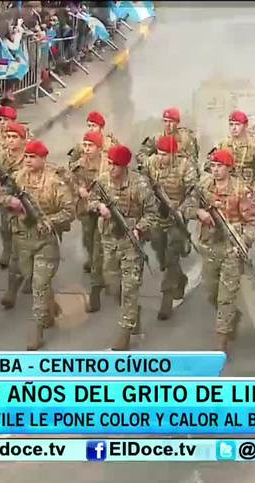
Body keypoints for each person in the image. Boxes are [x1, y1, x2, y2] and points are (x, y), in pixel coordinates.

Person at [0, 140, 74, 350]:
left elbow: (69, 212)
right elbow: (0, 196)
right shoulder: (17, 178)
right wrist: (9, 202)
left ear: (43, 159)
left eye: (33, 157)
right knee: (33, 279)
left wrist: (49, 221)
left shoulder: (55, 182)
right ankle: (50, 309)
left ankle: (37, 331)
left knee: (39, 286)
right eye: (27, 157)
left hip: (45, 243)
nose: (28, 161)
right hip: (21, 240)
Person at [184, 149, 255, 354]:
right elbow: (186, 206)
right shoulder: (204, 186)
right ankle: (231, 317)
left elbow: (254, 222)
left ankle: (221, 338)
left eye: (220, 166)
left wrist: (242, 242)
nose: (215, 170)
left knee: (226, 296)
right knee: (211, 292)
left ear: (229, 168)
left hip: (231, 249)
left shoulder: (241, 190)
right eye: (213, 166)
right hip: (209, 247)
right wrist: (198, 212)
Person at [86, 144, 158, 349]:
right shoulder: (102, 181)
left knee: (130, 287)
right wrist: (99, 207)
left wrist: (139, 228)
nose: (111, 168)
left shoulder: (140, 185)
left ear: (125, 166)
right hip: (109, 240)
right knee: (113, 285)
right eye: (109, 163)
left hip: (130, 242)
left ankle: (125, 331)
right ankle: (134, 311)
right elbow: (89, 201)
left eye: (115, 165)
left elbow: (151, 214)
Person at [139, 135, 198, 320]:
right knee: (160, 252)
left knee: (172, 255)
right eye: (159, 153)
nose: (161, 157)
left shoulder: (185, 166)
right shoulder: (151, 163)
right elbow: (140, 182)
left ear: (173, 154)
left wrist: (181, 210)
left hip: (176, 217)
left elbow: (194, 193)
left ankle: (166, 299)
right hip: (157, 215)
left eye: (165, 154)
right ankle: (180, 278)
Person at [66, 131, 109, 275]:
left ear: (99, 148)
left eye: (91, 145)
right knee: (87, 237)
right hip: (85, 208)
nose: (87, 149)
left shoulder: (108, 164)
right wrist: (79, 189)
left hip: (104, 208)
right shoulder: (79, 165)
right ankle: (92, 258)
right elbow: (69, 181)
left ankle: (99, 267)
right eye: (85, 145)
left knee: (100, 240)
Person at [0, 122, 28, 271]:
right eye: (8, 137)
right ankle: (7, 251)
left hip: (24, 200)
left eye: (14, 137)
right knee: (6, 228)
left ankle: (23, 260)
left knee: (24, 230)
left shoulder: (29, 157)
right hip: (4, 198)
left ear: (23, 139)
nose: (10, 140)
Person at [215, 110, 255, 183]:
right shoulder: (223, 145)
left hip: (249, 186)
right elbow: (210, 166)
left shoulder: (254, 145)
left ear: (245, 125)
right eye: (231, 124)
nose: (233, 128)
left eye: (237, 124)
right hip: (229, 187)